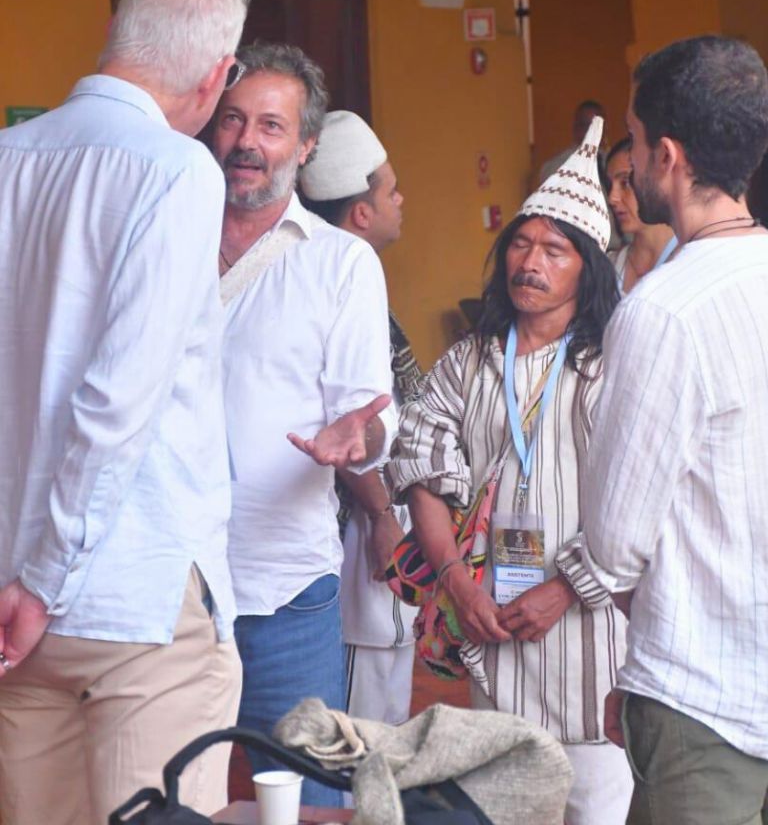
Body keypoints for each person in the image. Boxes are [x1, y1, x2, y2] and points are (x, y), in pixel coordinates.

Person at [0, 0, 251, 825]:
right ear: (218, 75)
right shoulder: (178, 170)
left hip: (15, 593)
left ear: (116, 31)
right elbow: (118, 402)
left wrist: (24, 577)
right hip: (130, 585)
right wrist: (45, 579)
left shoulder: (7, 157)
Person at [387, 118, 633, 825]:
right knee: (503, 804)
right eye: (521, 245)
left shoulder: (612, 364)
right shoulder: (470, 360)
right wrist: (455, 580)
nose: (531, 262)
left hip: (592, 654)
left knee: (596, 807)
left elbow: (639, 500)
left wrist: (566, 587)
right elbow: (421, 468)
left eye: (555, 250)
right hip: (491, 637)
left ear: (587, 269)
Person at [570, 36, 768, 825]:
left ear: (668, 156)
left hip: (703, 699)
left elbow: (613, 542)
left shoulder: (662, 309)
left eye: (633, 138)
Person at [211, 43, 396, 806]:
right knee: (161, 799)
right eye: (233, 120)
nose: (247, 141)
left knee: (310, 804)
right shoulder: (163, 241)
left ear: (306, 146)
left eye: (271, 126)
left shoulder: (340, 264)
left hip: (284, 595)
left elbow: (372, 417)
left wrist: (358, 439)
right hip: (166, 590)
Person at [300, 110, 421, 725]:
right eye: (391, 190)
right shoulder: (339, 277)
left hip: (376, 520)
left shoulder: (351, 275)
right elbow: (344, 417)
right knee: (360, 722)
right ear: (361, 214)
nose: (402, 201)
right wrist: (381, 516)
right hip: (357, 529)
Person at [605, 136, 676, 293]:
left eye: (625, 183)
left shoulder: (688, 262)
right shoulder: (609, 268)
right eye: (610, 186)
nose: (612, 198)